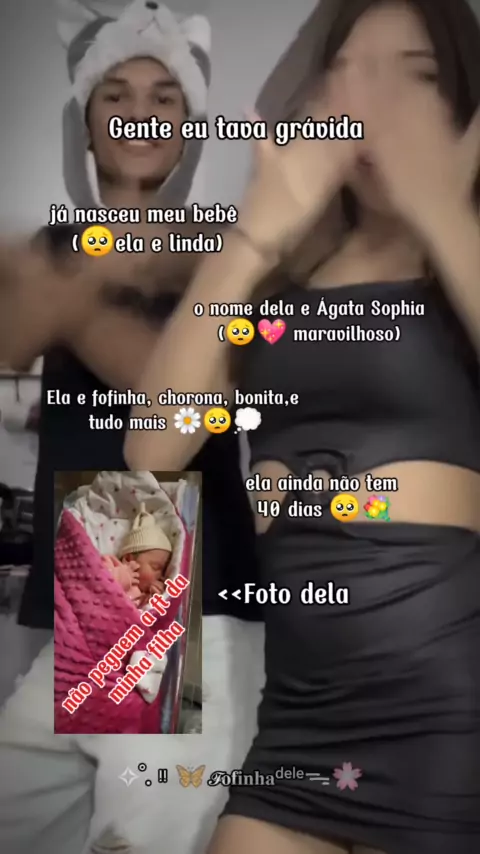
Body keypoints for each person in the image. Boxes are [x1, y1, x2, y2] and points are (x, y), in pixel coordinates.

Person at [124, 0, 480, 852]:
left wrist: (442, 209)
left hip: (448, 718)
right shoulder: (283, 277)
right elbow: (154, 446)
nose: (377, 105)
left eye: (415, 78)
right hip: (301, 721)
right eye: (352, 75)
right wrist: (254, 235)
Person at [0, 1, 265, 852]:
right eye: (115, 95)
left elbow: (164, 393)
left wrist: (66, 300)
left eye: (164, 97)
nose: (140, 114)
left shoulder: (222, 254)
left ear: (190, 126)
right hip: (97, 579)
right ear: (84, 122)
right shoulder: (58, 245)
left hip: (173, 574)